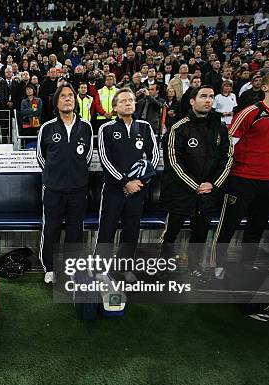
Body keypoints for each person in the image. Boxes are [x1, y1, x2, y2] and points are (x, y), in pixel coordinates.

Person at [211, 69, 269, 319]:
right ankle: (216, 268)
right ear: (265, 87)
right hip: (242, 179)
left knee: (256, 228)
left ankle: (245, 269)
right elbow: (230, 144)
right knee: (227, 226)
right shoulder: (251, 112)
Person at [160, 85, 233, 278]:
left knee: (199, 235)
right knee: (171, 234)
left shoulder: (221, 127)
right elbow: (174, 162)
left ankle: (194, 267)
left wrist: (213, 184)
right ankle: (163, 267)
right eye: (203, 96)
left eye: (211, 96)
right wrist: (195, 186)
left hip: (209, 193)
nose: (208, 100)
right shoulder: (179, 127)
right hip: (180, 193)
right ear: (192, 101)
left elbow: (227, 159)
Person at [96, 88, 160, 277]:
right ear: (115, 107)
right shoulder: (106, 128)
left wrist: (140, 181)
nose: (128, 103)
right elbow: (105, 159)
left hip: (137, 190)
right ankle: (100, 269)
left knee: (131, 232)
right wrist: (125, 182)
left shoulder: (145, 127)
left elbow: (154, 156)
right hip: (113, 189)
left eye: (131, 100)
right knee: (106, 230)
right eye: (123, 101)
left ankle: (125, 269)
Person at [36, 83, 93, 284]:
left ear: (75, 100)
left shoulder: (86, 127)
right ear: (57, 102)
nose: (67, 98)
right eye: (63, 96)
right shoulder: (47, 127)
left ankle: (72, 268)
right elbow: (41, 158)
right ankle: (49, 268)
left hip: (78, 190)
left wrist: (74, 176)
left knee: (75, 231)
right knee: (50, 229)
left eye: (71, 95)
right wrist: (54, 176)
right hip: (53, 190)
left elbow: (86, 158)